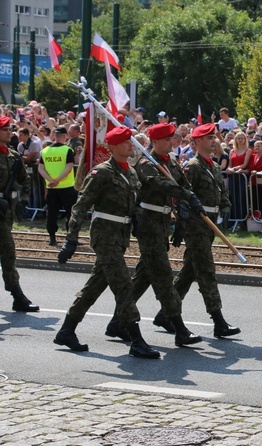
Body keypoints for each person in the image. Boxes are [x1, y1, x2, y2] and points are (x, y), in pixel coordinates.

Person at [54, 126, 158, 358]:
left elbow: (134, 202)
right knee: (123, 285)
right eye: (125, 143)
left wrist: (138, 217)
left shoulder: (131, 172)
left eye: (130, 142)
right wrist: (71, 239)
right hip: (104, 237)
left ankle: (66, 330)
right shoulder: (101, 173)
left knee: (95, 286)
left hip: (120, 236)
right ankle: (136, 340)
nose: (130, 145)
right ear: (112, 147)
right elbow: (80, 207)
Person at [112, 123, 205, 346]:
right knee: (163, 275)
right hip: (148, 224)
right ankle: (178, 328)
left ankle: (117, 321)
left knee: (144, 275)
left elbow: (184, 185)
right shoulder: (146, 163)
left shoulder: (171, 162)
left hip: (163, 223)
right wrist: (184, 194)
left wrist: (183, 214)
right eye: (166, 140)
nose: (171, 143)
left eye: (172, 139)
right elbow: (161, 184)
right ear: (154, 142)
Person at [170, 123, 240, 337]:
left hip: (210, 224)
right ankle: (218, 321)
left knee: (189, 271)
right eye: (208, 138)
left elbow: (222, 191)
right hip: (197, 224)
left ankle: (166, 312)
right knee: (207, 272)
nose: (213, 141)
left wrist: (226, 208)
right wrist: (181, 227)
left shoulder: (214, 166)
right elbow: (182, 197)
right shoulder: (193, 166)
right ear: (197, 141)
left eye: (213, 137)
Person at [0, 116, 39, 312]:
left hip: (5, 212)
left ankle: (17, 297)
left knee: (8, 253)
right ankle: (18, 296)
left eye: (9, 129)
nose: (9, 132)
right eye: (4, 129)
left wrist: (23, 200)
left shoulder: (14, 156)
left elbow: (25, 180)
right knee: (8, 251)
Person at [37, 126, 76, 246]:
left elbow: (40, 169)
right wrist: (58, 180)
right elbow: (69, 168)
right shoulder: (68, 150)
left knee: (52, 213)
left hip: (51, 188)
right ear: (65, 136)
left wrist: (51, 180)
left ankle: (52, 238)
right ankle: (70, 237)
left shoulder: (44, 151)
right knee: (70, 213)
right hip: (67, 187)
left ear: (54, 136)